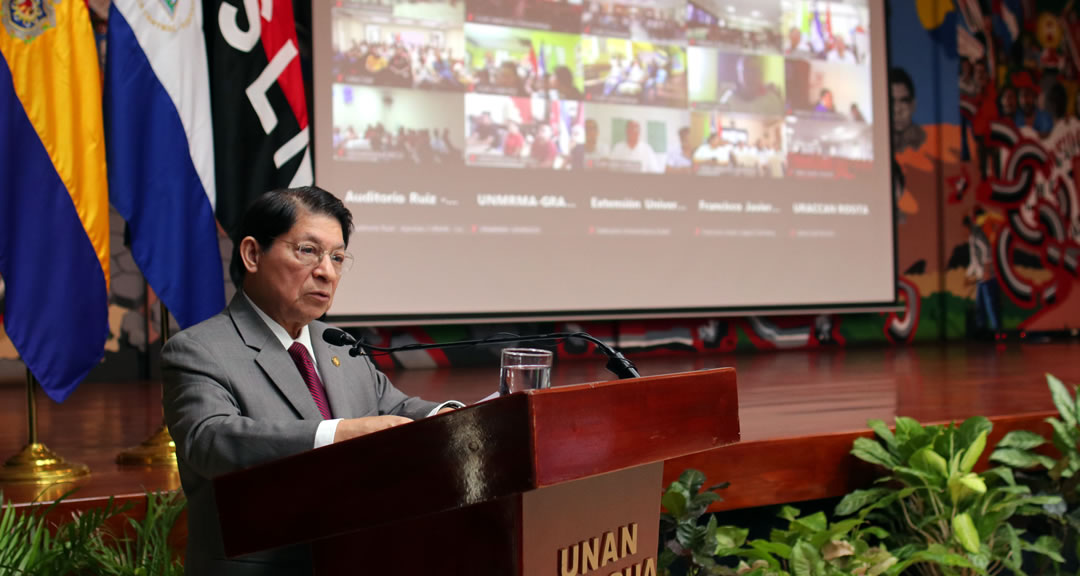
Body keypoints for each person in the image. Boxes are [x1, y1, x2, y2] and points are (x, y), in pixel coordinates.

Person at [163, 187, 463, 575]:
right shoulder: (198, 349)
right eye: (308, 251)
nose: (327, 271)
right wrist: (336, 436)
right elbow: (211, 440)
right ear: (253, 254)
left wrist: (456, 416)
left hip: (360, 557)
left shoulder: (336, 343)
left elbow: (395, 407)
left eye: (337, 257)